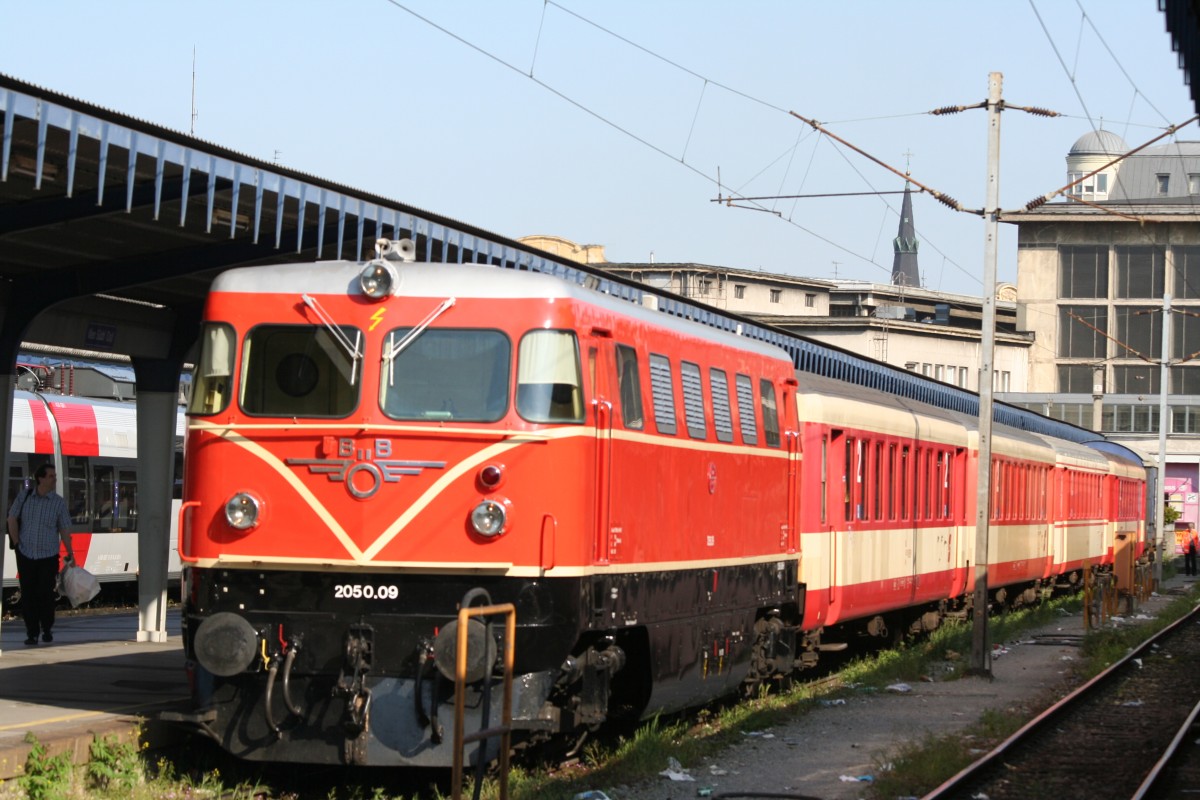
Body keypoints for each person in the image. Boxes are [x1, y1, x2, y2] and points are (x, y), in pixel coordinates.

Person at [6, 464, 74, 645]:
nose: (55, 479)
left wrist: (70, 552)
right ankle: (32, 633)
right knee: (28, 595)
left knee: (45, 594)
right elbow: (11, 518)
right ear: (40, 479)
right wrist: (17, 543)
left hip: (49, 556)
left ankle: (47, 628)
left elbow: (65, 528)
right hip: (25, 554)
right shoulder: (24, 497)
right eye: (51, 476)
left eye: (55, 476)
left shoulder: (58, 502)